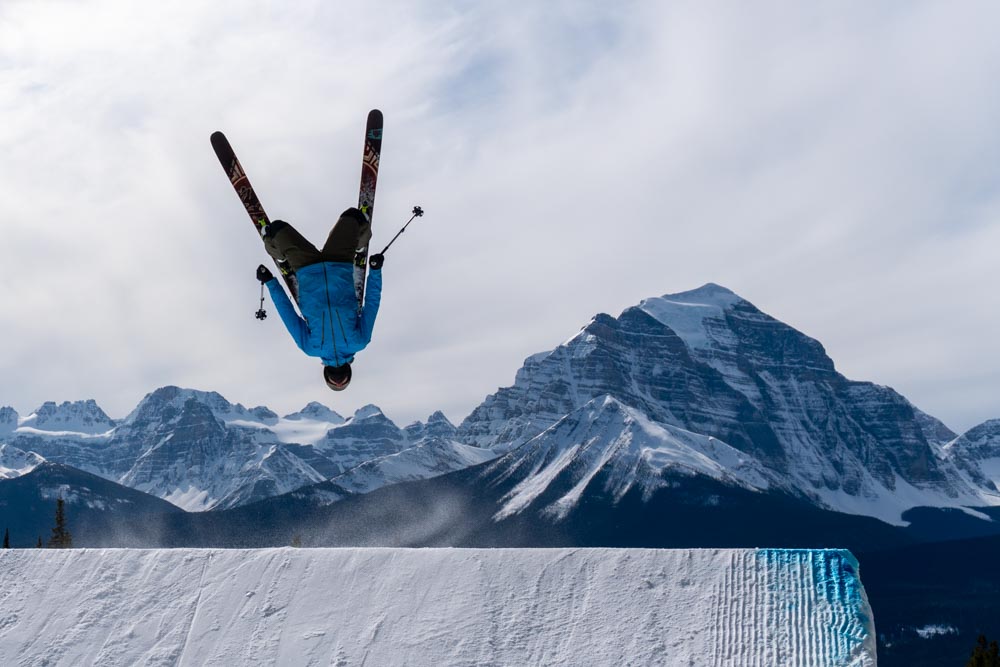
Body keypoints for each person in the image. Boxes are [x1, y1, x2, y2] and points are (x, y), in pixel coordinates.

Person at [255, 207, 383, 391]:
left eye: (335, 380)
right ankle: (360, 245)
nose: (337, 377)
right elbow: (371, 305)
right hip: (339, 262)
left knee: (276, 229)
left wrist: (271, 283)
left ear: (327, 375)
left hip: (306, 267)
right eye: (341, 379)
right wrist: (375, 271)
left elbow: (287, 315)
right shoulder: (359, 341)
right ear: (347, 371)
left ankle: (282, 259)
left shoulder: (311, 347)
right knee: (353, 216)